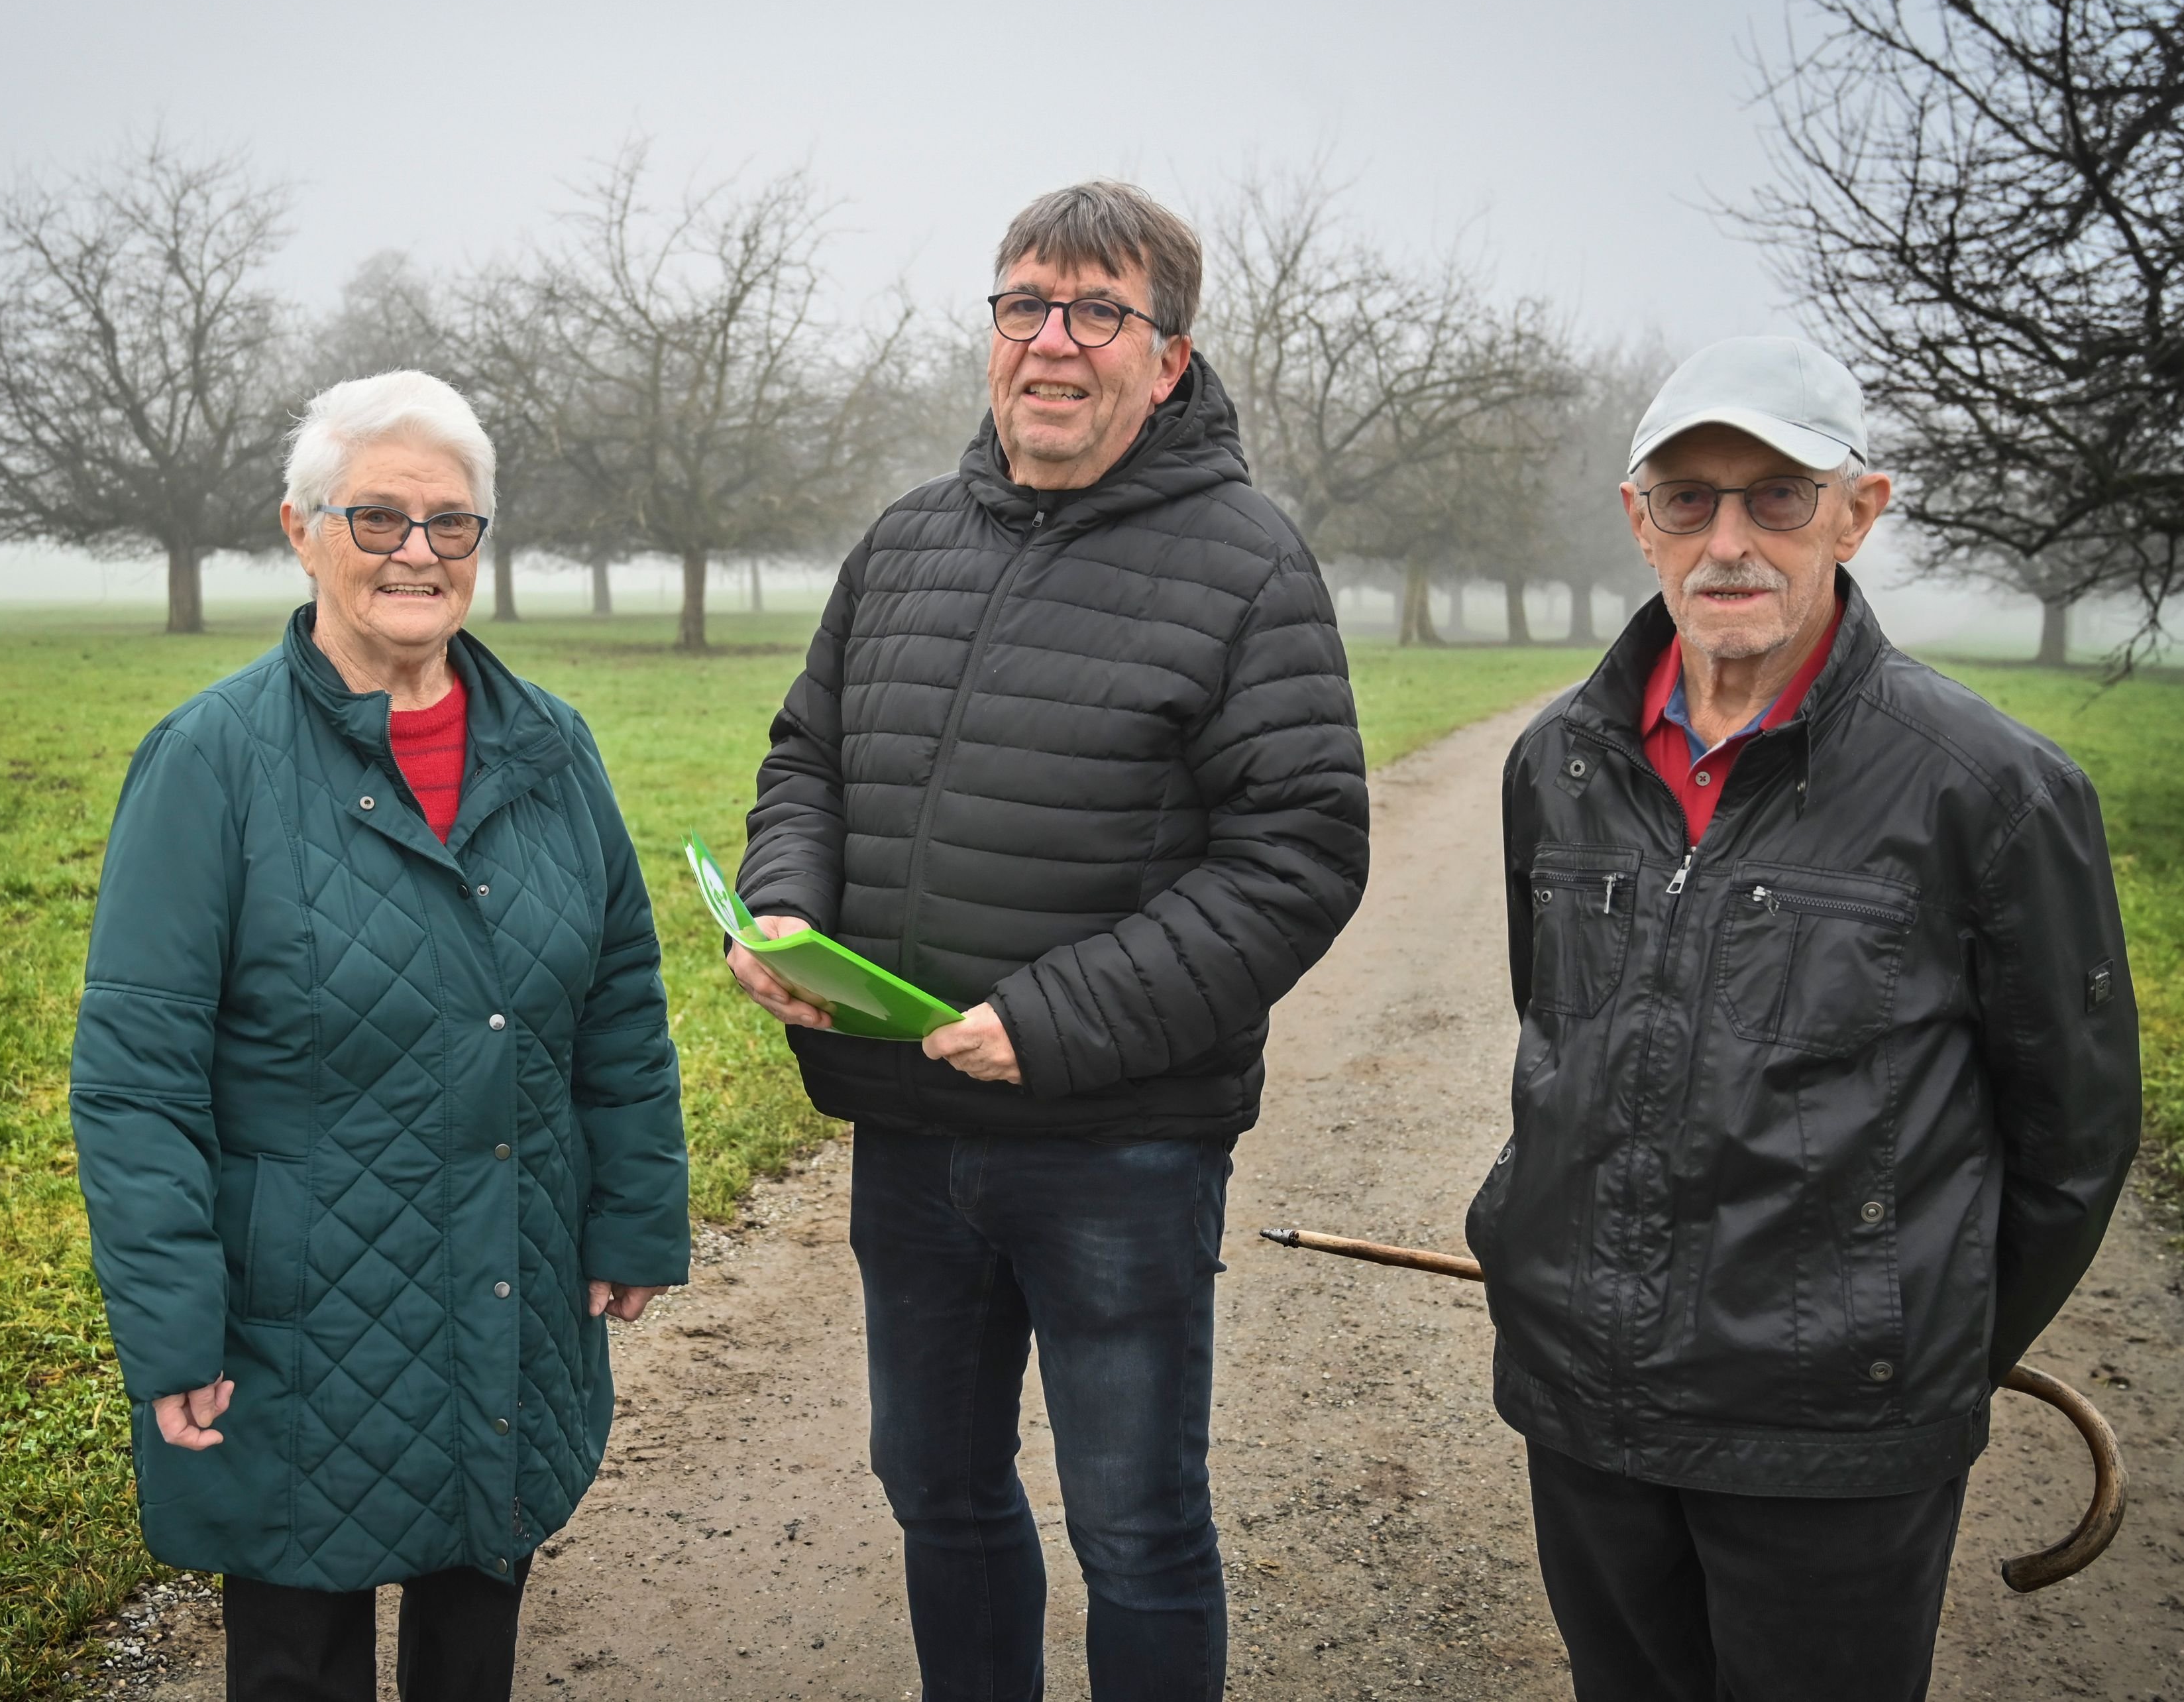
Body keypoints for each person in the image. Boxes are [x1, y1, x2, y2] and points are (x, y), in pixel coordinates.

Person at [726, 180, 1370, 1702]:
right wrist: (786, 899)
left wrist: (1057, 1018)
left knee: (1137, 1524)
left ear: (1168, 355)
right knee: (934, 1489)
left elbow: (1297, 856)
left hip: (1118, 1144)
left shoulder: (1247, 564)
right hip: (909, 1126)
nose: (1053, 342)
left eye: (1098, 311)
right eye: (1024, 304)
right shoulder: (902, 542)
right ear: (992, 331)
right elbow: (804, 754)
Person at [1472, 336, 2143, 1701]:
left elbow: (2070, 1143)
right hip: (1582, 1404)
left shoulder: (1991, 789)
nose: (1727, 539)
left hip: (1829, 1436)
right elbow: (1554, 1037)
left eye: (1775, 496)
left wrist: (1903, 1344)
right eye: (1687, 498)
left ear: (1858, 509)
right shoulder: (1559, 758)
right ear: (1635, 519)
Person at [68, 370, 688, 1702]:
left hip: (509, 1283)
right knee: (302, 1657)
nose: (417, 550)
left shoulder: (551, 752)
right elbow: (136, 1076)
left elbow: (620, 1003)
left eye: (449, 522)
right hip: (297, 1315)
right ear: (300, 530)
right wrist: (173, 1324)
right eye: (378, 517)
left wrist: (632, 1211)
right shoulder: (210, 762)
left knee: (477, 1610)